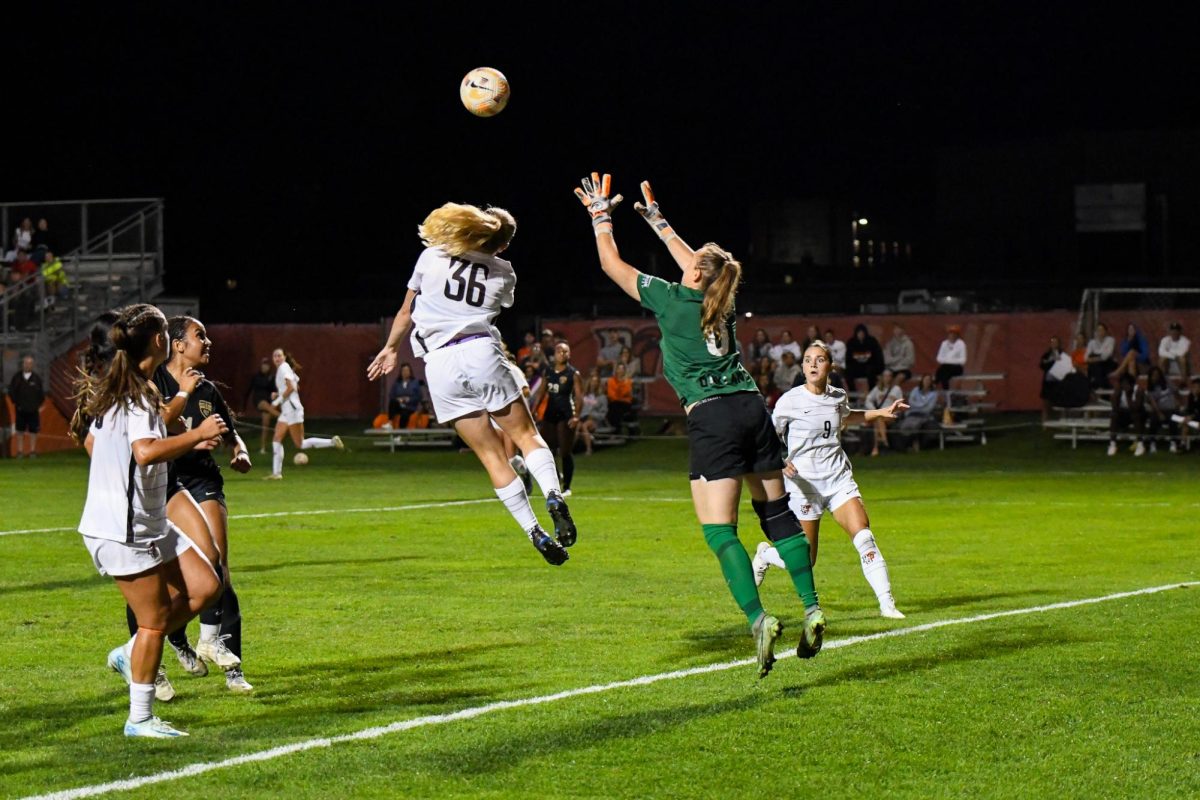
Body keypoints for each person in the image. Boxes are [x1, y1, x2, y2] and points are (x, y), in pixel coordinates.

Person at [575, 172, 825, 677]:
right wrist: (659, 223)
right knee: (776, 515)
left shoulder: (671, 297)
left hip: (712, 415)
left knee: (719, 531)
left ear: (694, 274)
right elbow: (703, 267)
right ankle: (812, 606)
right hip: (752, 407)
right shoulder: (724, 304)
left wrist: (601, 216)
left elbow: (610, 264)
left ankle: (759, 619)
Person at [367, 201, 576, 564]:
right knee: (526, 437)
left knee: (491, 455)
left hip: (439, 362)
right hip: (480, 350)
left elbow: (406, 312)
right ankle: (554, 495)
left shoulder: (431, 257)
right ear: (503, 244)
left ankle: (533, 531)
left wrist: (389, 349)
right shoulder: (504, 272)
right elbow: (497, 297)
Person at [71, 303, 224, 737]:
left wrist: (179, 409)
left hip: (146, 519)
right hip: (123, 528)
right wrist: (195, 435)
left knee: (206, 585)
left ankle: (131, 651)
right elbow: (143, 450)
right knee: (155, 619)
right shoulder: (134, 392)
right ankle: (139, 718)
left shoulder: (128, 388)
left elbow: (126, 436)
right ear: (160, 342)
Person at [752, 341, 907, 619]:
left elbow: (849, 416)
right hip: (804, 486)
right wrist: (778, 460)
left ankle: (887, 604)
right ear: (802, 367)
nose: (813, 364)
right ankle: (765, 555)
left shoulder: (837, 396)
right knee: (806, 560)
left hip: (838, 481)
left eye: (819, 359)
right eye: (808, 360)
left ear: (830, 366)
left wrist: (880, 413)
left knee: (865, 537)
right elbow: (767, 436)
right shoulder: (790, 401)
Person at [154, 316, 255, 692]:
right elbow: (153, 434)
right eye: (200, 336)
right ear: (177, 344)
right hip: (163, 484)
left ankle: (230, 664)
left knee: (219, 569)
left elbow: (230, 433)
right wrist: (193, 438)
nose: (208, 342)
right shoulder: (156, 384)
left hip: (202, 481)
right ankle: (170, 642)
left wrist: (240, 452)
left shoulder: (209, 388)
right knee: (163, 578)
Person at [266, 348, 343, 479]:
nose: (277, 358)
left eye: (279, 355)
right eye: (275, 356)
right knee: (276, 438)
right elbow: (295, 386)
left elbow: (292, 388)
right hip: (287, 410)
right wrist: (278, 393)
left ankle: (332, 442)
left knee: (300, 444)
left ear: (284, 357)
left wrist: (277, 401)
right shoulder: (285, 368)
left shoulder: (284, 368)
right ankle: (276, 473)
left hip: (292, 410)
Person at [530, 342, 584, 496]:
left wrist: (576, 417)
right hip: (550, 413)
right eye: (560, 351)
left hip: (566, 414)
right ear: (554, 353)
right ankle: (556, 476)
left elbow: (579, 397)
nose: (563, 354)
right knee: (546, 450)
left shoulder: (573, 373)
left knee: (565, 451)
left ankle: (567, 487)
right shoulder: (548, 371)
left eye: (566, 351)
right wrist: (533, 411)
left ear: (569, 354)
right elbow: (541, 392)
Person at [9, 354, 45, 458]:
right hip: (20, 410)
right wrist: (17, 403)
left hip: (33, 410)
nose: (27, 365)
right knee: (20, 431)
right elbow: (12, 392)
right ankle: (20, 451)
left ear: (32, 365)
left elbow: (41, 395)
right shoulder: (17, 378)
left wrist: (36, 405)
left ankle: (32, 451)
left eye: (30, 363)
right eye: (26, 363)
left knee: (33, 431)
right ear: (22, 364)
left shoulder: (36, 379)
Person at [864, 368, 904, 456]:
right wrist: (874, 409)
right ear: (882, 378)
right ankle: (884, 444)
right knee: (878, 419)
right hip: (880, 414)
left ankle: (876, 448)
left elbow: (900, 404)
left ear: (892, 378)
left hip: (892, 414)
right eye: (885, 376)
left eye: (889, 376)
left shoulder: (896, 389)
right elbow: (868, 400)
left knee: (877, 419)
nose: (887, 378)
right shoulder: (877, 389)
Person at [1108, 372, 1148, 456]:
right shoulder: (1119, 391)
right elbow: (1114, 407)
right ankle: (1112, 444)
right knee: (1114, 415)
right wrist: (1116, 394)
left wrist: (1127, 395)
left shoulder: (1138, 391)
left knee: (1136, 416)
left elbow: (1136, 408)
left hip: (1138, 415)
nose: (1124, 385)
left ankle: (1140, 444)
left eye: (1126, 383)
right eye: (1123, 383)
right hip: (1124, 414)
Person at [898, 374, 940, 452]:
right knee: (905, 425)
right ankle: (910, 444)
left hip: (924, 415)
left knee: (915, 425)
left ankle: (914, 443)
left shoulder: (933, 394)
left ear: (931, 382)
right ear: (922, 381)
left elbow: (929, 408)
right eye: (925, 380)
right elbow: (911, 402)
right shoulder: (915, 390)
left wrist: (917, 405)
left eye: (928, 380)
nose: (926, 382)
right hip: (912, 414)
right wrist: (923, 404)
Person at [1145, 366, 1181, 453]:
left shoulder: (1167, 381)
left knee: (1173, 418)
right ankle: (1152, 443)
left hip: (1171, 409)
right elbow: (1153, 402)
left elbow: (1176, 391)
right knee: (1153, 420)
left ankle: (1173, 443)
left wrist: (1177, 400)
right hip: (1159, 410)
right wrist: (1159, 413)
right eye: (1153, 375)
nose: (1155, 377)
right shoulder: (1151, 388)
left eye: (1157, 375)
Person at [1039, 336, 1076, 421]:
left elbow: (1066, 366)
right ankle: (1045, 423)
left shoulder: (1063, 354)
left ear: (1059, 344)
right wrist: (1051, 361)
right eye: (1052, 342)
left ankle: (1063, 420)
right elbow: (1042, 365)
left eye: (1056, 342)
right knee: (1046, 403)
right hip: (1048, 382)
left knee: (1062, 401)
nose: (1054, 344)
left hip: (1059, 382)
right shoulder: (1046, 354)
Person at [244, 357, 277, 453]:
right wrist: (244, 406)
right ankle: (282, 417)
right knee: (264, 404)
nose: (265, 367)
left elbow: (274, 390)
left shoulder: (271, 377)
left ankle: (263, 448)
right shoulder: (256, 377)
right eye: (263, 365)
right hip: (258, 400)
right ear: (261, 366)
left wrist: (274, 395)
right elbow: (248, 390)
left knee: (265, 425)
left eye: (267, 365)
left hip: (268, 400)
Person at [844, 323, 884, 392]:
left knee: (871, 370)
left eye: (862, 333)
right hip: (857, 368)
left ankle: (872, 392)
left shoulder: (872, 341)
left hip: (869, 367)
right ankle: (853, 393)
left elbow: (878, 357)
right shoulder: (851, 343)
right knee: (848, 372)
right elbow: (848, 359)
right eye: (859, 333)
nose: (861, 335)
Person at [577, 375, 608, 455]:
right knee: (577, 426)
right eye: (592, 381)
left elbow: (603, 414)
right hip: (582, 417)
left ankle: (589, 449)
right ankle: (569, 450)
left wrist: (592, 415)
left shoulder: (602, 397)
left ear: (598, 384)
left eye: (595, 381)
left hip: (595, 420)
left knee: (585, 426)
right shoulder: (584, 396)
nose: (593, 383)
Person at [387, 363, 425, 427]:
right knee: (392, 402)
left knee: (404, 414)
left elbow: (419, 396)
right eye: (403, 370)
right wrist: (398, 399)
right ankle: (390, 423)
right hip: (399, 405)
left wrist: (409, 399)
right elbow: (391, 395)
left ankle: (400, 434)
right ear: (401, 372)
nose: (405, 372)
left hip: (410, 407)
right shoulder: (397, 383)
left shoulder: (415, 382)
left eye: (407, 370)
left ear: (410, 372)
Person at [605, 361, 635, 433]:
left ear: (624, 371)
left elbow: (627, 393)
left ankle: (617, 431)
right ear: (616, 370)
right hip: (614, 402)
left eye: (622, 369)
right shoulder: (610, 381)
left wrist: (621, 385)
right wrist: (621, 393)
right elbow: (611, 395)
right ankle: (616, 430)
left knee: (617, 410)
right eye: (619, 368)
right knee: (614, 409)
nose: (620, 371)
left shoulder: (628, 381)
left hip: (625, 403)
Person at [935, 324, 967, 390]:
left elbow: (963, 360)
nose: (952, 335)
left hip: (957, 368)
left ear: (957, 335)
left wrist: (946, 360)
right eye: (950, 333)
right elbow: (938, 358)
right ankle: (944, 391)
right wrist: (951, 360)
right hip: (945, 367)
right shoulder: (944, 343)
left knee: (943, 373)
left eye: (954, 333)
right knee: (941, 371)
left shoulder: (961, 344)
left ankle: (935, 386)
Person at [1085, 322, 1116, 389]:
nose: (1100, 332)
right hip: (1096, 365)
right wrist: (1097, 358)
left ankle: (1097, 385)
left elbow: (1106, 356)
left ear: (1105, 331)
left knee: (1097, 364)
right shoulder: (1092, 342)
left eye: (1102, 330)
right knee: (1094, 365)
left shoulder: (1110, 340)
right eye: (1098, 330)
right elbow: (1086, 357)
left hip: (1107, 363)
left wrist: (1094, 359)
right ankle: (1102, 385)